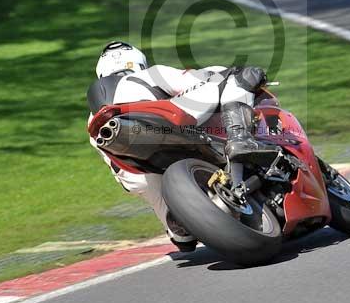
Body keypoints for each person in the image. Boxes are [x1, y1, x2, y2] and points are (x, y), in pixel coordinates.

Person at [86, 40, 275, 252]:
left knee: (181, 238)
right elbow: (196, 80)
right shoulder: (148, 74)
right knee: (239, 76)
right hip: (164, 123)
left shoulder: (93, 120)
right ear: (137, 63)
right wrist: (221, 72)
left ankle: (178, 222)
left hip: (136, 170)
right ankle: (239, 138)